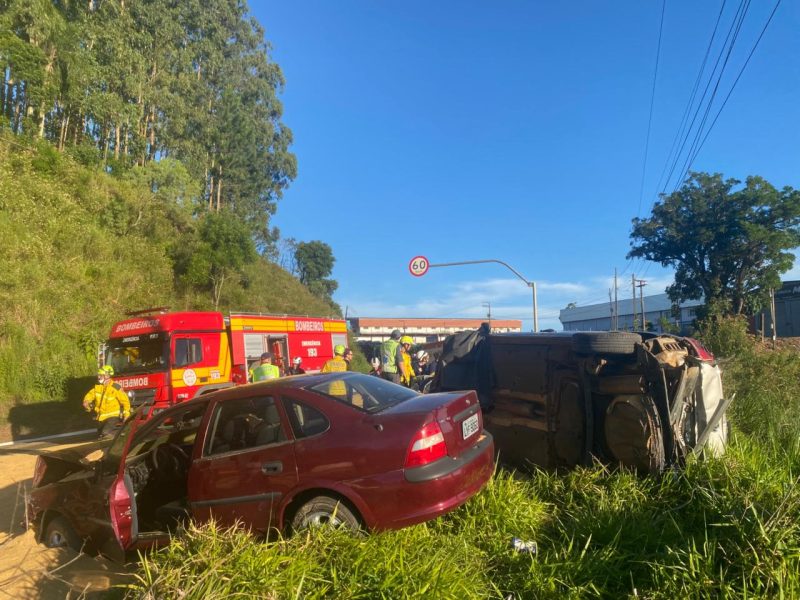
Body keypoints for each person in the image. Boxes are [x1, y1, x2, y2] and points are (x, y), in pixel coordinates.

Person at [82, 365, 131, 438]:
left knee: (106, 432)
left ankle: (124, 435)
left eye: (101, 375)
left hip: (113, 416)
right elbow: (90, 395)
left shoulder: (116, 387)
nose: (98, 377)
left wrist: (127, 415)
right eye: (98, 375)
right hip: (101, 417)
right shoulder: (98, 387)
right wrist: (86, 401)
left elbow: (125, 402)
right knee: (101, 435)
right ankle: (119, 436)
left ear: (107, 376)